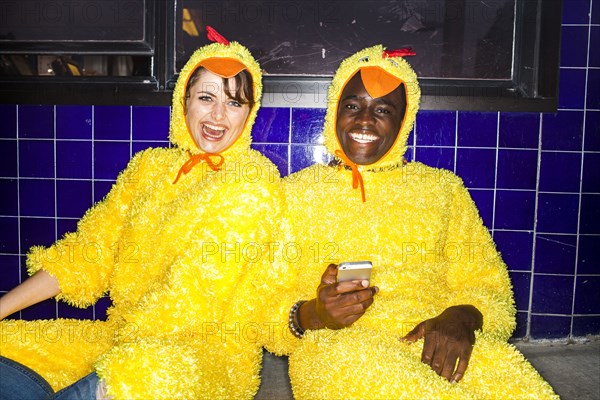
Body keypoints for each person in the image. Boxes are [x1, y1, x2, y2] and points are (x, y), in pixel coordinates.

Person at [0, 27, 288, 399]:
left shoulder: (253, 180)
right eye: (206, 97)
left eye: (235, 103)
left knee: (131, 377)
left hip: (202, 357)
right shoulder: (150, 168)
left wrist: (123, 358)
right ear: (183, 100)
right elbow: (87, 254)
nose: (218, 115)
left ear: (249, 112)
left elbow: (194, 295)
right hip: (122, 340)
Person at [268, 46, 558, 399]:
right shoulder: (292, 194)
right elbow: (262, 305)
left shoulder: (442, 189)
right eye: (353, 105)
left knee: (522, 388)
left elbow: (490, 287)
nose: (364, 120)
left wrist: (463, 316)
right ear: (335, 111)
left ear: (403, 121)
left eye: (383, 110)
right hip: (340, 350)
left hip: (437, 339)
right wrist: (314, 314)